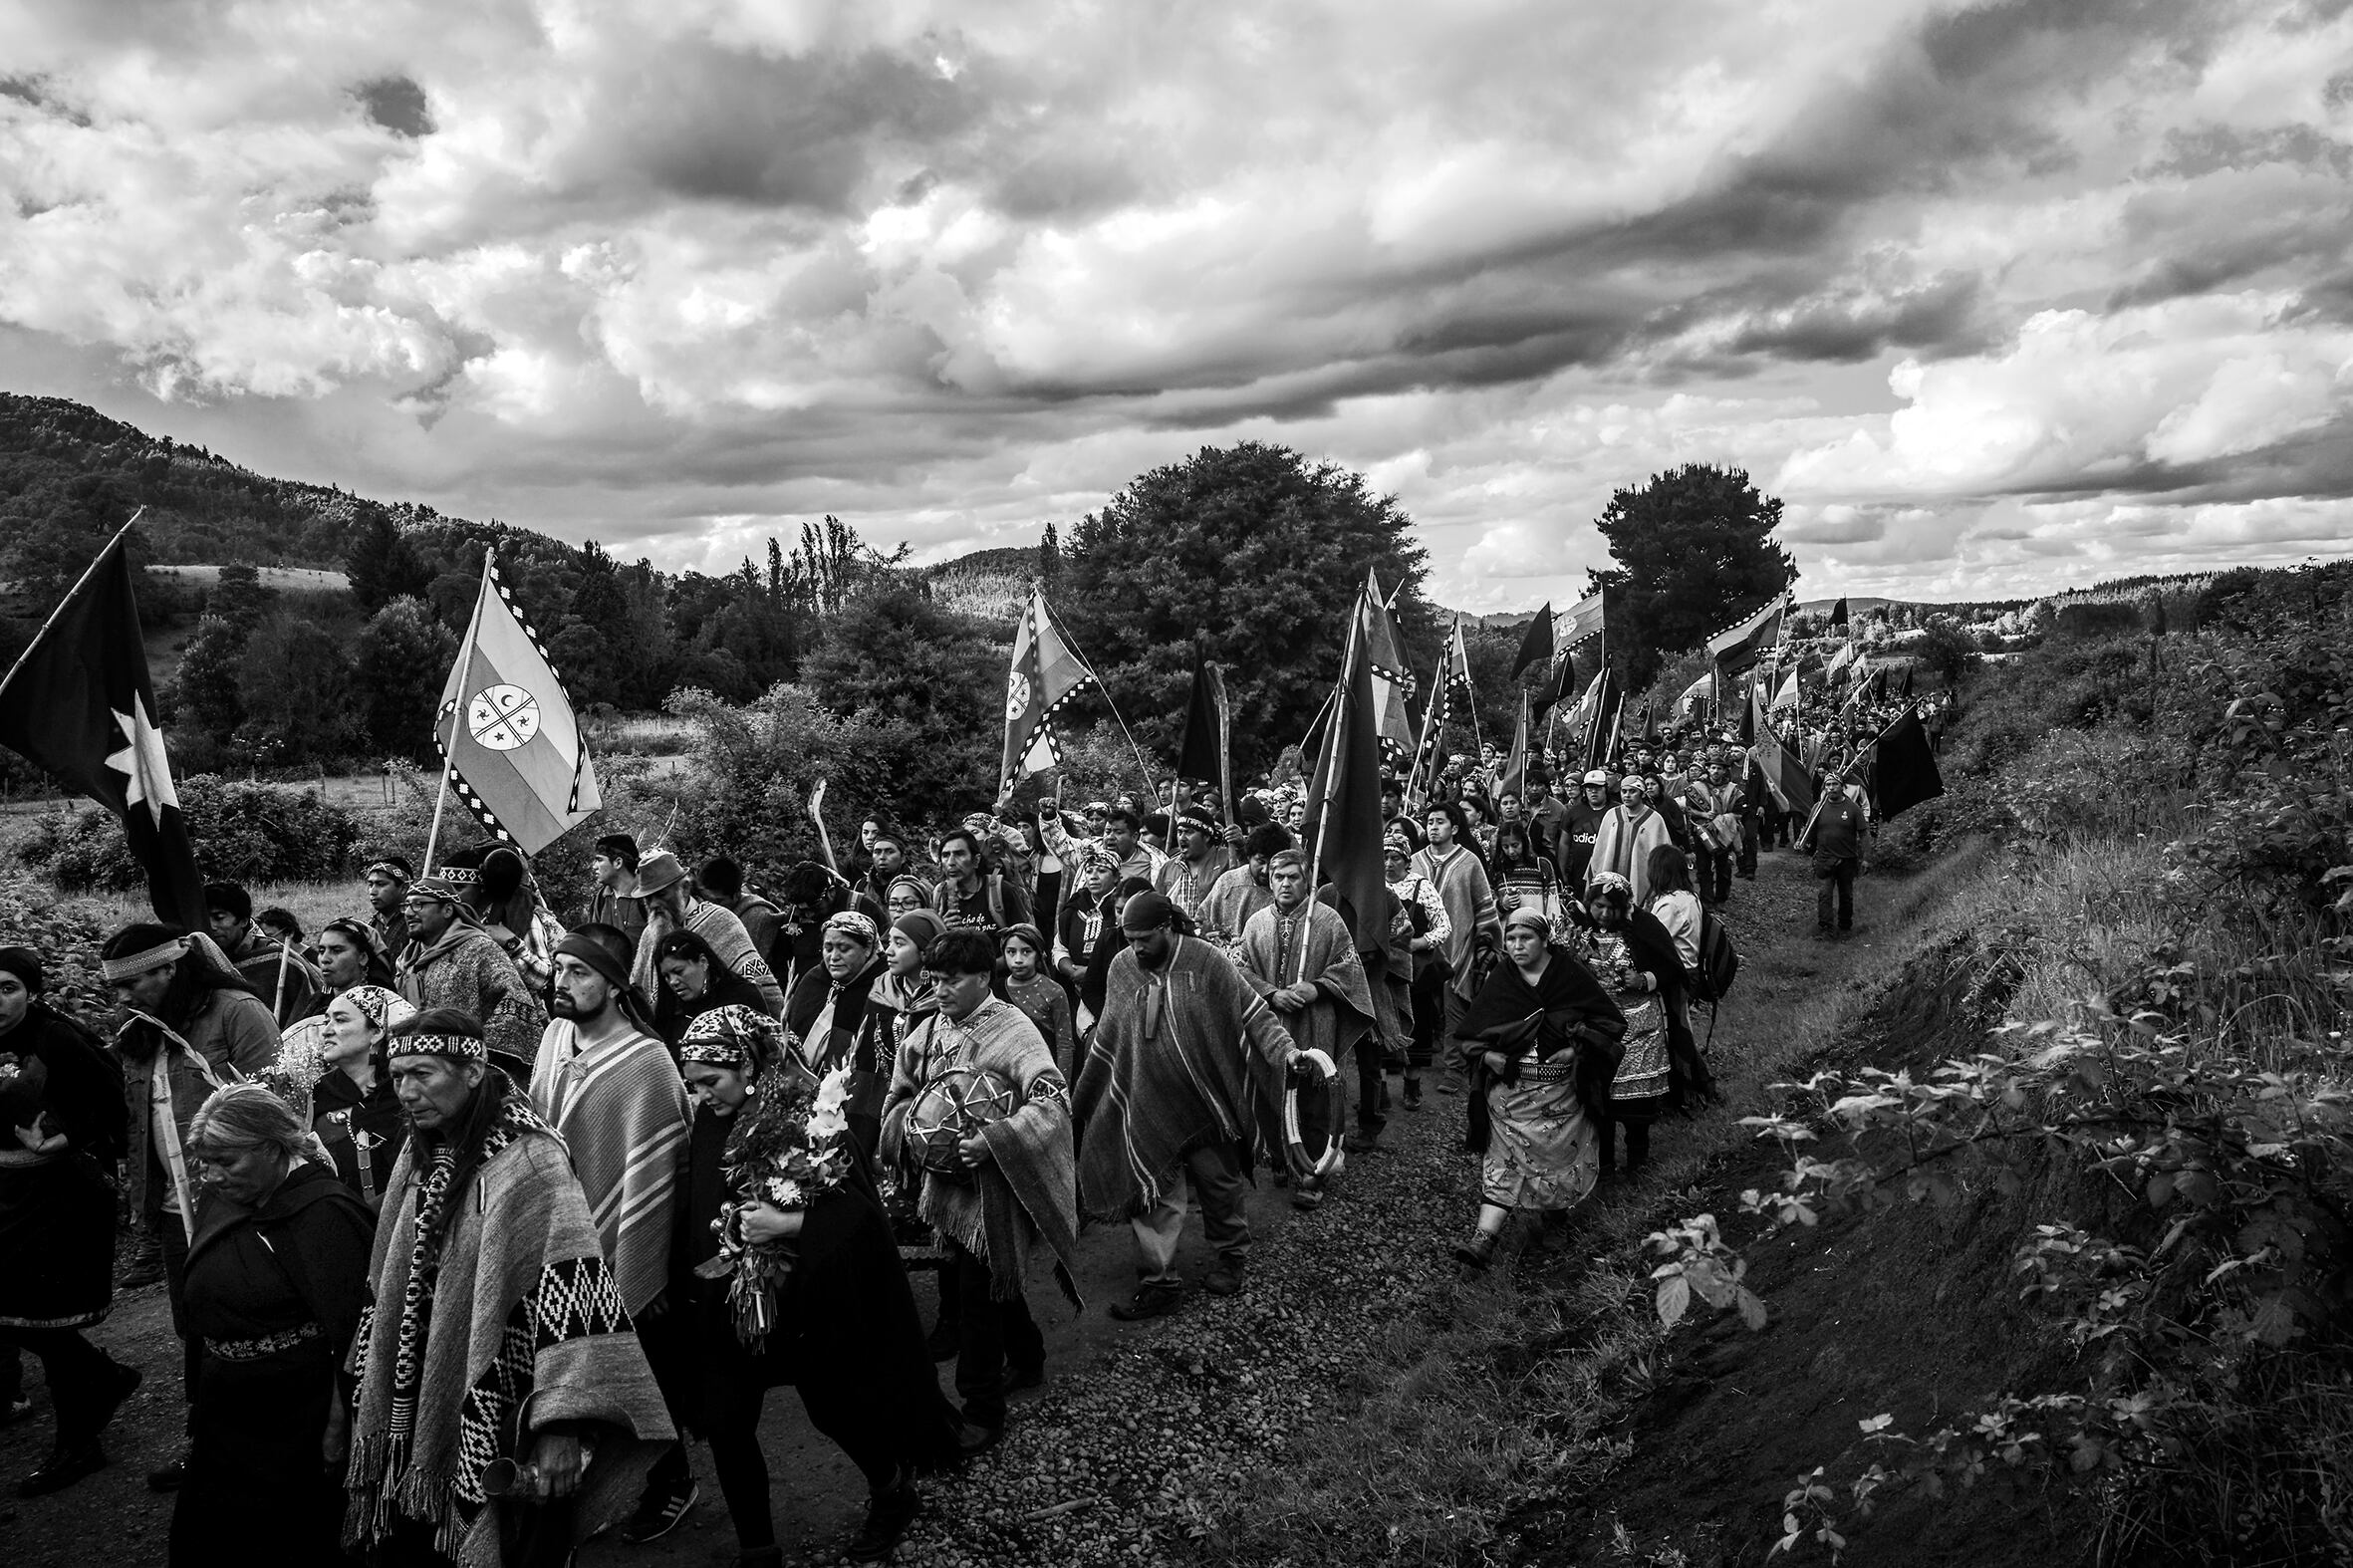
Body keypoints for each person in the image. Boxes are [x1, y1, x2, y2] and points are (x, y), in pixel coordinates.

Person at [346, 1010, 674, 1565]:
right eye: (397, 1076)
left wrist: (559, 1424)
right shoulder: (421, 1149)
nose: (407, 1091)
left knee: (520, 1546)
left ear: (474, 1070)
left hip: (510, 1402)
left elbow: (575, 1296)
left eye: (423, 1073)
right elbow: (390, 1275)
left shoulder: (530, 1159)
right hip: (422, 1383)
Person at [671, 1007, 967, 1566]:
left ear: (748, 1065)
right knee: (728, 1424)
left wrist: (790, 1225)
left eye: (711, 1082)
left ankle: (891, 1490)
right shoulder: (711, 1119)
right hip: (731, 1306)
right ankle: (758, 1550)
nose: (702, 1096)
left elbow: (860, 1217)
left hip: (805, 1304)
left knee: (832, 1409)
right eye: (693, 1085)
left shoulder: (812, 1118)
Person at [880, 928, 1080, 1441]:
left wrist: (994, 1141)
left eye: (952, 980)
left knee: (975, 1298)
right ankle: (1029, 1357)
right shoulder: (926, 1031)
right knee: (992, 1284)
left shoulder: (1016, 1032)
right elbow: (900, 1094)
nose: (941, 990)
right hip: (947, 1192)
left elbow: (1053, 1101)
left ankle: (982, 1410)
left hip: (997, 1191)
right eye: (935, 979)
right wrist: (912, 1130)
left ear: (983, 978)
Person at [99, 923, 279, 1492]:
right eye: (117, 988)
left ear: (169, 968)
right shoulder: (140, 1030)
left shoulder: (237, 1012)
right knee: (196, 1326)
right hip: (177, 1212)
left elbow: (277, 1105)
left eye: (133, 984)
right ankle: (210, 1442)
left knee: (249, 1323)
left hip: (235, 1204)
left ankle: (266, 1441)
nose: (122, 998)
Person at [527, 936, 695, 1544]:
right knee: (571, 1368)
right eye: (557, 971)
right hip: (559, 1233)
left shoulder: (647, 1062)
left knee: (639, 1369)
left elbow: (660, 1168)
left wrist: (645, 1257)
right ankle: (597, 1484)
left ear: (617, 983)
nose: (561, 983)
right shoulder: (553, 1037)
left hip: (621, 1236)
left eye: (577, 971)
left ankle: (671, 1482)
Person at [1074, 892, 1305, 1321]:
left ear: (1167, 927)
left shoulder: (1207, 961)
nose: (1136, 947)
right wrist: (1090, 1088)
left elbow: (1254, 1015)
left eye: (1144, 938)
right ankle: (1159, 1282)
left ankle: (1231, 1257)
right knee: (1152, 1193)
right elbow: (1111, 1033)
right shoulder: (1123, 967)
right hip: (1145, 1099)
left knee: (1219, 1185)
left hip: (1206, 1101)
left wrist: (1287, 1053)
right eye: (1129, 938)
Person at [172, 1083, 373, 1565]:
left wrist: (336, 1425)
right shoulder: (231, 1197)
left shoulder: (326, 1215)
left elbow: (349, 1336)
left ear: (273, 1147)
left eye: (225, 1160)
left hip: (294, 1415)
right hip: (229, 1406)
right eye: (203, 1160)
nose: (211, 1175)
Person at [0, 945, 137, 1497]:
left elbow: (113, 1102)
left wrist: (60, 1138)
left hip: (61, 1195)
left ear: (30, 991)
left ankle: (78, 1443)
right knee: (16, 1314)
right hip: (8, 1192)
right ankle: (103, 1379)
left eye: (7, 987)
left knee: (45, 1320)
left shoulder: (58, 1037)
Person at [1449, 908, 1623, 1270]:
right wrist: (1489, 1057)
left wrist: (1576, 1047)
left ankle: (1555, 1219)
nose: (1516, 946)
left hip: (1560, 1097)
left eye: (1525, 938)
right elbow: (1469, 1035)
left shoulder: (1570, 976)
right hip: (1509, 1099)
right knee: (1500, 1162)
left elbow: (1609, 1023)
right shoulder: (1502, 980)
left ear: (1545, 940)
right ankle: (1483, 1240)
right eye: (1510, 939)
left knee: (1557, 1158)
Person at [1238, 851, 1374, 1178]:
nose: (1286, 884)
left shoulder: (1327, 921)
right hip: (1270, 1024)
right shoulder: (1256, 923)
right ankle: (1282, 1160)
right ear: (1269, 881)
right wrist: (1272, 993)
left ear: (1307, 880)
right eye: (1278, 877)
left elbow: (1349, 969)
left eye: (1293, 877)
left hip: (1316, 1022)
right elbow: (1240, 970)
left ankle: (1313, 1171)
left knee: (1315, 1099)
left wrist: (1318, 988)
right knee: (1274, 1095)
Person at [1583, 875, 1699, 1178]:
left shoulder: (1644, 927)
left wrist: (1644, 978)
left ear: (1624, 907)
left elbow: (1672, 969)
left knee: (1637, 1105)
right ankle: (1604, 1165)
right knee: (1600, 1102)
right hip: (1599, 1029)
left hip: (1640, 1028)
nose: (1604, 914)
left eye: (1611, 908)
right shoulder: (1580, 931)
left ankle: (1637, 1162)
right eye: (1598, 906)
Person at [395, 876, 548, 1075]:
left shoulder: (480, 950)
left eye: (419, 904)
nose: (408, 912)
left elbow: (514, 1005)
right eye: (407, 905)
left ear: (448, 910)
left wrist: (473, 1058)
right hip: (417, 1068)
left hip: (469, 1072)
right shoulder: (407, 960)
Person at [781, 911, 893, 1160]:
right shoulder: (814, 981)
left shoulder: (883, 990)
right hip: (803, 1098)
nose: (833, 957)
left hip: (852, 1105)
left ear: (869, 949)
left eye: (844, 948)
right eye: (828, 947)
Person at [1411, 803, 1500, 1096]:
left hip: (1458, 947)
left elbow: (1482, 906)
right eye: (1430, 821)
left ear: (1455, 828)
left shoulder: (1469, 862)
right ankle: (1411, 1066)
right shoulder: (1413, 861)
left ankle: (1454, 1069)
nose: (1433, 827)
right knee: (1418, 1008)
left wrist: (1485, 943)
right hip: (1418, 949)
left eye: (1440, 822)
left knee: (1454, 1010)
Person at [632, 851, 786, 1017]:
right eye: (648, 899)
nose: (654, 904)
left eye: (661, 894)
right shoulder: (650, 935)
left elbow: (757, 988)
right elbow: (639, 990)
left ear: (684, 889)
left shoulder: (720, 921)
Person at [311, 983, 414, 1209]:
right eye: (326, 1020)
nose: (326, 1030)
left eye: (340, 1020)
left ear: (376, 1031)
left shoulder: (407, 1093)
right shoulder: (318, 1094)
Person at [1384, 830, 1451, 1110]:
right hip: (1384, 974)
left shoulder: (1421, 888)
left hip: (1415, 975)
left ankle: (1412, 1086)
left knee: (1418, 1026)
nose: (1389, 863)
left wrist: (1417, 943)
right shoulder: (1373, 886)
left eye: (1395, 858)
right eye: (1384, 857)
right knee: (1385, 1026)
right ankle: (1381, 1089)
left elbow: (1444, 927)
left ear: (1407, 861)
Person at [204, 880, 323, 1026]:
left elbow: (313, 1007)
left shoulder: (277, 959)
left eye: (219, 918)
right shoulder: (201, 962)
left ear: (243, 921)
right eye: (205, 918)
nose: (211, 926)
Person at [652, 927, 769, 1046]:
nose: (673, 982)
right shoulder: (670, 1010)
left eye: (679, 971)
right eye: (666, 976)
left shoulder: (742, 1000)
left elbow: (769, 1052)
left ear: (703, 962)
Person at [1052, 849, 1127, 1028]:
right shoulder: (1074, 908)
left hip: (1113, 990)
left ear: (1116, 877)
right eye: (1089, 870)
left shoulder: (1123, 908)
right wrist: (1071, 971)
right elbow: (1059, 948)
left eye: (1101, 871)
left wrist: (1091, 973)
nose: (1093, 876)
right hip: (1076, 991)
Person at [1195, 823, 1290, 957]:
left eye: (1273, 864)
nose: (1266, 870)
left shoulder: (1288, 891)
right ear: (1249, 856)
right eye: (1260, 861)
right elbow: (1201, 922)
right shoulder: (1228, 882)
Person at [998, 924, 1076, 1078]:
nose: (1018, 960)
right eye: (1011, 952)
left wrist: (1060, 1085)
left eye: (1026, 952)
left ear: (1039, 954)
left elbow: (1064, 1044)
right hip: (1007, 1074)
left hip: (1043, 1071)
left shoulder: (1054, 992)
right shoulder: (996, 991)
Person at [929, 828, 1032, 937]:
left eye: (959, 854)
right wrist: (942, 931)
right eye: (945, 855)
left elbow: (1025, 941)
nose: (951, 862)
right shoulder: (940, 896)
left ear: (976, 860)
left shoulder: (1002, 892)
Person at [1588, 774, 1674, 906]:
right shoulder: (1611, 815)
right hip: (1609, 879)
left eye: (1632, 791)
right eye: (1624, 791)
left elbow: (1662, 857)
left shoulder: (1654, 820)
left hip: (1640, 881)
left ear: (1642, 794)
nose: (1627, 795)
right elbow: (1599, 852)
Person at [1804, 773, 1871, 937]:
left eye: (1834, 784)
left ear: (1842, 786)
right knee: (1824, 894)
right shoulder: (1818, 808)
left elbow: (1864, 834)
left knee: (1846, 895)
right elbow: (1810, 831)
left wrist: (1866, 858)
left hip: (1847, 859)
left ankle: (1845, 926)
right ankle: (1826, 928)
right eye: (1828, 785)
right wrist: (1807, 847)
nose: (1831, 788)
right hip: (1825, 858)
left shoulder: (1853, 808)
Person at [1154, 807, 1237, 926]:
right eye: (1179, 832)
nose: (1182, 838)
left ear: (1207, 837)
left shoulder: (1228, 860)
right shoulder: (1168, 868)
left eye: (1188, 832)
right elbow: (1157, 907)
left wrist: (1241, 847)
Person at [698, 855, 784, 969]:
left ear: (736, 895)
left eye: (719, 901)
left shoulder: (758, 916)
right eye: (708, 899)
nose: (712, 905)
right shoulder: (709, 912)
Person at [1683, 761, 1742, 906]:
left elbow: (1739, 813)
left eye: (1719, 768)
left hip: (1724, 832)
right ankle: (1707, 901)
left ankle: (1721, 899)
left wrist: (1720, 820)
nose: (1715, 771)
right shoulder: (1696, 788)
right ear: (1708, 769)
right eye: (1713, 768)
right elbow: (1689, 809)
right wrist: (1704, 815)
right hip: (1703, 832)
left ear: (1724, 771)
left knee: (1724, 869)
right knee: (1703, 868)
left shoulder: (1732, 790)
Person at [1645, 845, 1705, 977]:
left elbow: (1652, 941)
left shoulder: (1671, 905)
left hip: (1679, 975)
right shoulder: (1689, 896)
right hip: (1689, 968)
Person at [586, 832, 649, 952]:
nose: (594, 866)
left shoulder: (647, 897)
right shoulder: (601, 898)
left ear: (618, 863)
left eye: (599, 860)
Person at [317, 915, 399, 993]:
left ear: (362, 958)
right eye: (321, 951)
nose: (324, 959)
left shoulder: (380, 1002)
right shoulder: (318, 1002)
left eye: (336, 951)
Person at [364, 856, 414, 964]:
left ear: (403, 888)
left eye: (381, 884)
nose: (372, 891)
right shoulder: (370, 927)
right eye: (370, 884)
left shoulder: (415, 924)